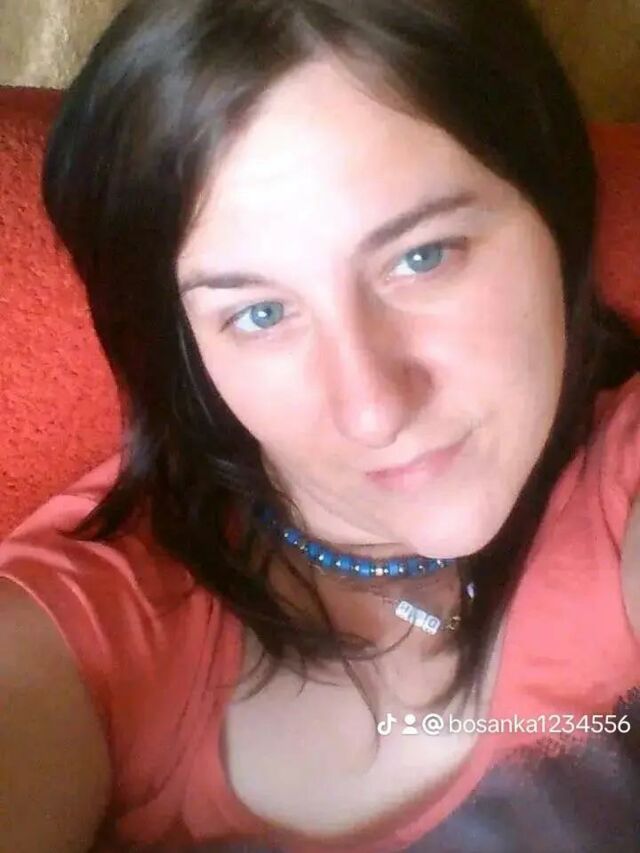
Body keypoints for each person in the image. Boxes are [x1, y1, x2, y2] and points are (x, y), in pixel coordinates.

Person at [1, 0, 640, 850]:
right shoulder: (92, 626)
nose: (373, 408)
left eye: (422, 256)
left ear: (553, 209)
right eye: (261, 313)